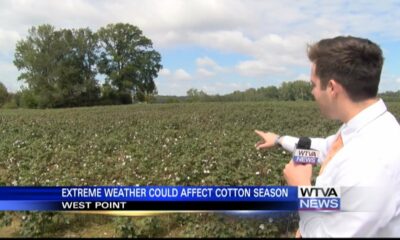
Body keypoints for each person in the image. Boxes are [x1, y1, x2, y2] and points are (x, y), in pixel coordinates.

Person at [254, 36, 400, 237]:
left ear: (331, 88)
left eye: (313, 85)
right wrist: (279, 140)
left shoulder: (371, 161)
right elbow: (324, 149)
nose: (313, 92)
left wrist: (301, 191)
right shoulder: (364, 128)